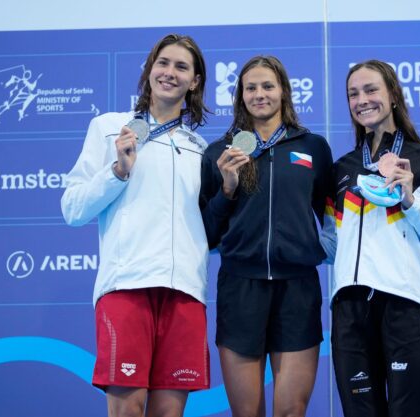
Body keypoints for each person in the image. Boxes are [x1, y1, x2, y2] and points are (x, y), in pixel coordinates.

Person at [61, 34, 210, 417]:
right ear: (148, 70)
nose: (169, 73)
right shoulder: (110, 128)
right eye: (163, 63)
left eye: (181, 67)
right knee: (128, 410)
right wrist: (117, 171)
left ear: (194, 81)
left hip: (184, 293)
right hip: (126, 286)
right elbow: (73, 208)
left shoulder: (201, 149)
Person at [323, 60, 420, 417]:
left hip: (406, 306)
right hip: (350, 310)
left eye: (371, 90)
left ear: (393, 96)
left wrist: (410, 200)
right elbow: (331, 244)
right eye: (353, 94)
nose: (362, 100)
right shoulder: (341, 169)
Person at [199, 55, 333, 417]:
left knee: (291, 411)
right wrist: (227, 188)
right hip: (240, 290)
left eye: (268, 86)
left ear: (284, 92)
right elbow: (208, 235)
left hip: (298, 291)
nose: (260, 94)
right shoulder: (219, 153)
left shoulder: (313, 147)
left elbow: (330, 216)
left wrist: (311, 249)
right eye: (251, 87)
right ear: (241, 96)